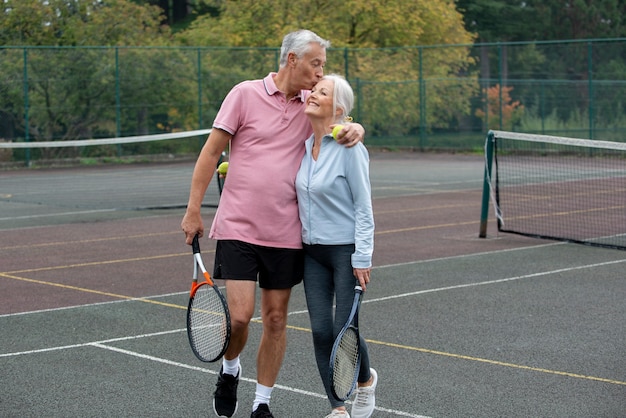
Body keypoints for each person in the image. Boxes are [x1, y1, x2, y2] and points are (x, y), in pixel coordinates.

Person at [180, 30, 365, 418]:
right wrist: (193, 209)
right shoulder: (244, 94)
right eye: (316, 64)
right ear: (292, 60)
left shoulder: (311, 105)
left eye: (323, 68)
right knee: (241, 316)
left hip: (286, 234)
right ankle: (230, 371)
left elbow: (340, 121)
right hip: (238, 228)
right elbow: (211, 152)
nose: (320, 74)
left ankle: (261, 403)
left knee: (277, 319)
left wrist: (356, 127)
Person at [295, 74, 377, 418]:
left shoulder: (350, 148)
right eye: (313, 90)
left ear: (338, 109)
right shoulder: (301, 145)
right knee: (320, 331)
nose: (312, 94)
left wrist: (362, 256)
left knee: (346, 329)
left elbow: (364, 206)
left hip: (345, 253)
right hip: (311, 254)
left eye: (322, 92)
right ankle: (338, 408)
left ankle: (365, 382)